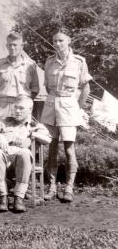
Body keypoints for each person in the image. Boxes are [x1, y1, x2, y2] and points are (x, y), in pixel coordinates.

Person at [41, 31, 91, 202]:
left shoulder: (79, 61)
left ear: (68, 41)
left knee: (69, 149)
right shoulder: (49, 62)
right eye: (55, 40)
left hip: (69, 107)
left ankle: (69, 187)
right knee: (52, 147)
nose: (57, 43)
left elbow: (85, 88)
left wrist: (78, 107)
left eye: (61, 40)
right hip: (51, 106)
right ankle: (52, 186)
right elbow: (48, 88)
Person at [0, 95, 51, 212]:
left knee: (25, 152)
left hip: (22, 163)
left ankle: (19, 198)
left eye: (21, 108)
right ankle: (3, 197)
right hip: (2, 160)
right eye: (16, 107)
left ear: (30, 110)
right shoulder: (5, 122)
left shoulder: (34, 125)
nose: (17, 111)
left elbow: (48, 139)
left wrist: (33, 135)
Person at [0, 32, 39, 124]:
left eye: (15, 45)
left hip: (22, 106)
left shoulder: (30, 65)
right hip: (2, 104)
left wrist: (25, 102)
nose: (12, 48)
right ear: (6, 46)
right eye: (10, 45)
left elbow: (35, 88)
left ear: (22, 46)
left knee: (21, 134)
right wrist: (2, 100)